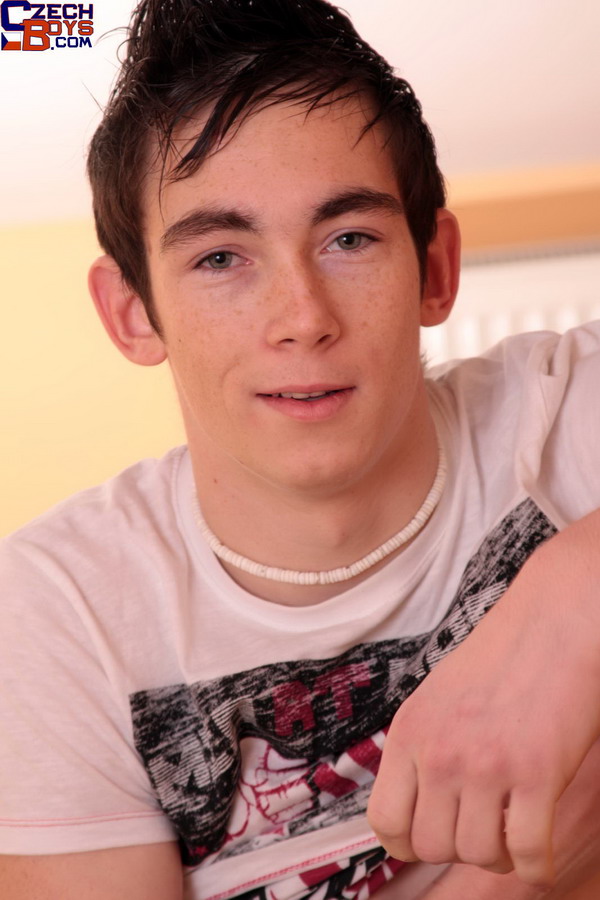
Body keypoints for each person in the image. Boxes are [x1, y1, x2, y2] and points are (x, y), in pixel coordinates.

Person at [1, 0, 599, 897]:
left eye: (350, 239)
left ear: (435, 268)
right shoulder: (55, 612)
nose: (303, 319)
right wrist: (525, 869)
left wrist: (575, 594)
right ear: (132, 313)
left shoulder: (567, 408)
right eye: (220, 258)